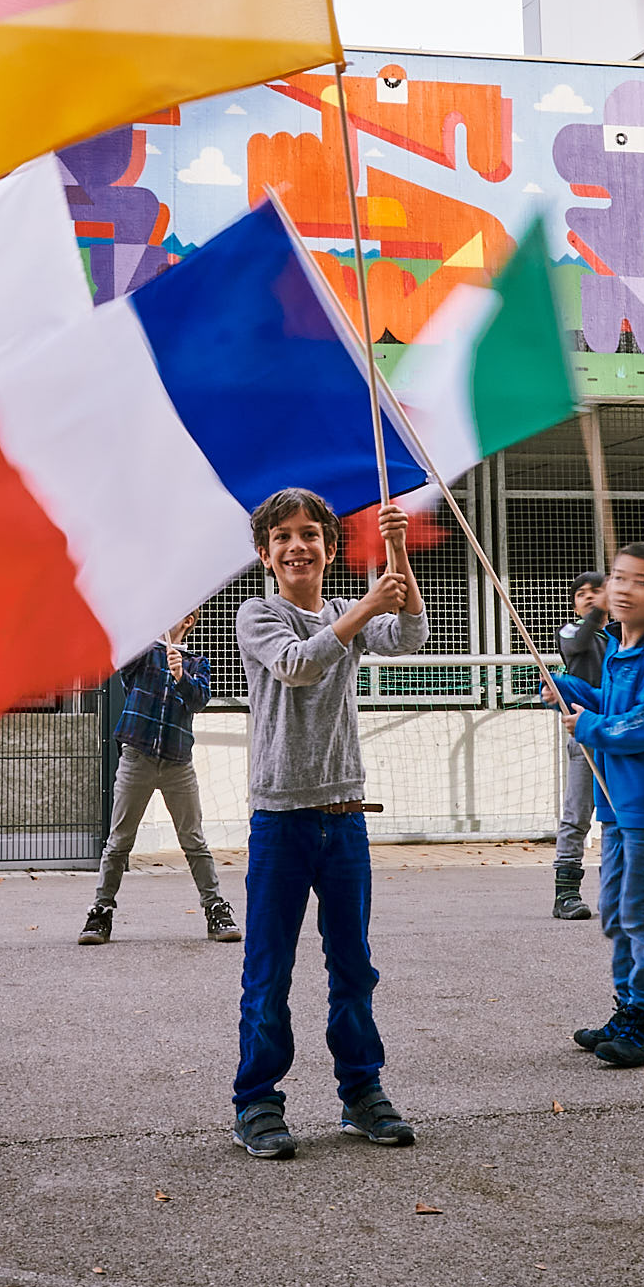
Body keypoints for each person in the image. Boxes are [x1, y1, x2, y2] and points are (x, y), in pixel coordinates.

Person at [228, 491, 425, 1161]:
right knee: (268, 968)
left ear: (330, 549)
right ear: (265, 553)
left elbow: (407, 635)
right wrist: (370, 605)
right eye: (281, 537)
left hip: (344, 819)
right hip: (280, 822)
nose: (296, 546)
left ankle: (362, 1092)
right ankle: (256, 1101)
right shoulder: (257, 615)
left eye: (309, 534)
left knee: (353, 966)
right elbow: (297, 664)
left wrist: (395, 549)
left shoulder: (347, 609)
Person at [554, 543, 644, 1071]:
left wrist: (585, 724)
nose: (625, 588)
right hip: (617, 804)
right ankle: (626, 1009)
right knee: (614, 911)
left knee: (640, 913)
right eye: (618, 577)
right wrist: (567, 688)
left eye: (640, 581)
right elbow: (614, 706)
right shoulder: (616, 648)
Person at [80, 614, 235, 944]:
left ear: (189, 620)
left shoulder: (197, 664)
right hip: (138, 757)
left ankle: (216, 910)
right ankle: (101, 912)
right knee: (119, 840)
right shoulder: (144, 654)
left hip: (178, 764)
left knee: (193, 839)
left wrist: (180, 675)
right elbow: (122, 658)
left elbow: (198, 700)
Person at [550, 570, 609, 922]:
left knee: (619, 816)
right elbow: (582, 642)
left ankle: (617, 890)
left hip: (619, 731)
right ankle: (566, 893)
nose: (589, 596)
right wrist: (599, 610)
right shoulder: (572, 632)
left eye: (597, 592)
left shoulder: (622, 638)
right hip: (585, 734)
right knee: (577, 816)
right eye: (582, 593)